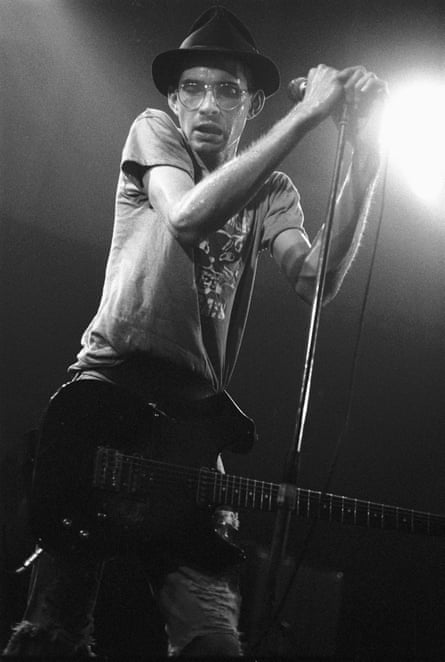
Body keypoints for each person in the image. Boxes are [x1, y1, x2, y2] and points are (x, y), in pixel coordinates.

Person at [3, 5, 386, 658]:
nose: (207, 104)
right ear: (175, 101)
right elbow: (185, 216)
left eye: (227, 90)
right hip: (107, 398)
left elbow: (315, 279)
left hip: (194, 420)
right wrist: (307, 116)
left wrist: (368, 157)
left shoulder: (273, 190)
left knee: (213, 638)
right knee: (54, 634)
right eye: (195, 89)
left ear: (253, 103)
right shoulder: (154, 132)